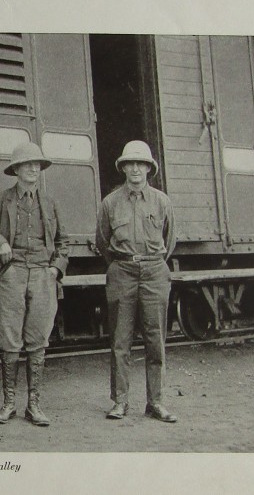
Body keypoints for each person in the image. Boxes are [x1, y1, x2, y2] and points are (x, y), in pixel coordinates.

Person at [0, 141, 69, 427]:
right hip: (11, 273)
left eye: (37, 165)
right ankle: (8, 404)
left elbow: (63, 243)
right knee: (10, 340)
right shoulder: (0, 200)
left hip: (42, 275)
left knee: (38, 340)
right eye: (27, 164)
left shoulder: (50, 203)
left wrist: (56, 269)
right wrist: (0, 243)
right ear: (15, 169)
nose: (33, 169)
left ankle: (34, 405)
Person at [95, 140, 177, 423]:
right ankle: (120, 401)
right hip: (122, 273)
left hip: (155, 272)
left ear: (149, 169)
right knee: (120, 341)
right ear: (123, 168)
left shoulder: (162, 202)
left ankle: (156, 402)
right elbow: (103, 242)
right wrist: (124, 264)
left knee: (156, 341)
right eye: (130, 164)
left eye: (140, 164)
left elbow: (170, 240)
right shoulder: (110, 203)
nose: (135, 169)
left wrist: (150, 263)